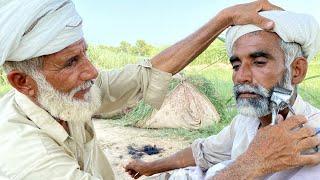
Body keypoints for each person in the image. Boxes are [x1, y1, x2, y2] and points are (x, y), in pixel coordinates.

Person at [0, 0, 284, 179]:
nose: (92, 71)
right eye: (71, 62)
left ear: (296, 69)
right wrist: (250, 166)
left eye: (84, 54)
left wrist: (225, 18)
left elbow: (145, 74)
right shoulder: (24, 156)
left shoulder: (62, 95)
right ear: (22, 82)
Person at [125, 10, 320, 180]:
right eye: (236, 66)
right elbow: (205, 152)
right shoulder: (246, 122)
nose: (241, 77)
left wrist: (251, 164)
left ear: (296, 70)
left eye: (259, 62)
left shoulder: (314, 135)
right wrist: (149, 168)